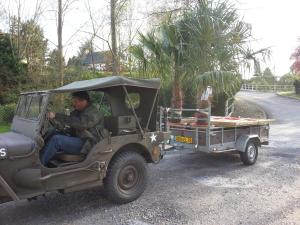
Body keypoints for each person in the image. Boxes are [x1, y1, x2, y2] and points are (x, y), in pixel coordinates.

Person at [41, 91, 103, 165]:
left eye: (76, 101)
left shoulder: (94, 112)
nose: (74, 104)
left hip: (87, 143)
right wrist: (53, 121)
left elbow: (81, 124)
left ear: (84, 101)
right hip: (78, 138)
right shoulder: (78, 111)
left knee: (56, 140)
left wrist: (56, 116)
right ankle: (40, 157)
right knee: (53, 132)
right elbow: (69, 123)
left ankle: (40, 165)